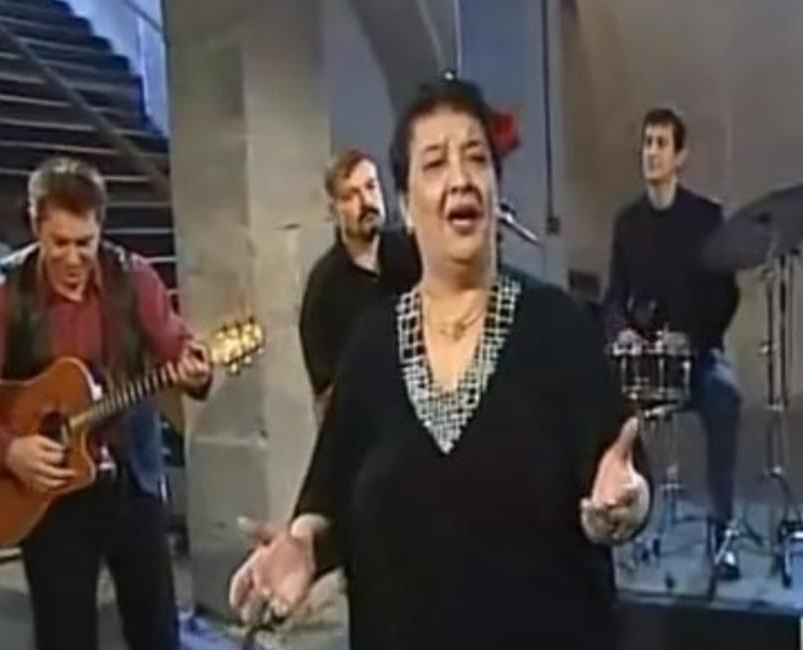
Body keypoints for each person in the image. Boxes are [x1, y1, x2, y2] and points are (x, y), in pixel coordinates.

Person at [229, 76, 651, 650]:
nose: (460, 177)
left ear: (496, 188)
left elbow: (624, 473)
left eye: (476, 158)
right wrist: (305, 546)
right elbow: (329, 494)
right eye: (434, 163)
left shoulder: (559, 327)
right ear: (406, 204)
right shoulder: (372, 345)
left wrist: (626, 505)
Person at [0, 157, 213, 650]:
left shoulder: (134, 280)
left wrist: (196, 369)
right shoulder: (3, 298)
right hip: (48, 497)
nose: (74, 259)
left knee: (156, 632)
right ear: (36, 226)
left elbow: (178, 348)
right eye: (59, 243)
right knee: (65, 637)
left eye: (85, 243)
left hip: (132, 483)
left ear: (101, 228)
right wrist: (10, 450)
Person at [602, 107, 742, 579]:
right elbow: (614, 295)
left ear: (680, 156)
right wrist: (621, 330)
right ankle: (619, 517)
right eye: (647, 143)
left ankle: (721, 528)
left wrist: (694, 338)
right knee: (596, 398)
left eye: (661, 144)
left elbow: (725, 297)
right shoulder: (628, 223)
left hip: (695, 357)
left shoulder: (706, 219)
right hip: (643, 359)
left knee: (725, 397)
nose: (651, 153)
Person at [298, 148, 419, 422]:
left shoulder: (411, 254)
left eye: (371, 187)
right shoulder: (323, 291)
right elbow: (326, 400)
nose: (366, 201)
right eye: (351, 195)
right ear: (334, 211)